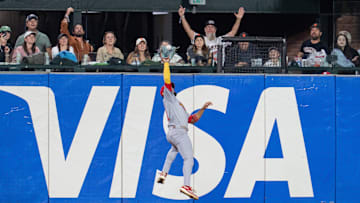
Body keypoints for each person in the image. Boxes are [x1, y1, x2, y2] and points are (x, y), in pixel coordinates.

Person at [156, 62, 212, 200]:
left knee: (174, 151)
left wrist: (203, 108)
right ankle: (186, 186)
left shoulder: (177, 104)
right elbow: (167, 81)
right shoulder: (168, 97)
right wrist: (167, 64)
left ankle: (163, 173)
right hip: (178, 132)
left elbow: (192, 119)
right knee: (188, 158)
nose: (172, 88)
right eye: (170, 88)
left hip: (174, 132)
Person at [178, 5, 245, 64]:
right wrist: (182, 16)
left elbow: (233, 32)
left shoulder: (221, 40)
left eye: (212, 27)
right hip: (204, 69)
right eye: (207, 27)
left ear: (215, 30)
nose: (210, 29)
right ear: (204, 30)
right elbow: (189, 31)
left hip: (219, 70)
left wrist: (238, 19)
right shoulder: (201, 39)